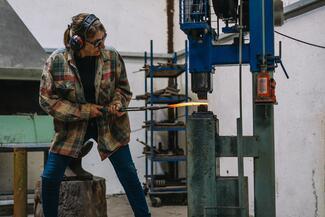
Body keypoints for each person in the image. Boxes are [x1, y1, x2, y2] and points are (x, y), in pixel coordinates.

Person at [39, 13, 151, 217]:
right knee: (49, 177)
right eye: (97, 42)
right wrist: (83, 111)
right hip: (71, 130)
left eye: (104, 38)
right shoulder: (56, 61)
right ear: (78, 42)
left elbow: (123, 89)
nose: (102, 46)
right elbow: (47, 100)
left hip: (108, 126)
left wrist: (118, 103)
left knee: (128, 173)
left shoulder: (112, 57)